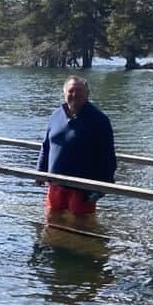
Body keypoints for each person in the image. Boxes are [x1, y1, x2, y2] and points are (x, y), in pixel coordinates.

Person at [36, 75, 116, 216]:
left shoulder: (99, 120)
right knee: (52, 223)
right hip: (55, 185)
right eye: (71, 91)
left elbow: (108, 157)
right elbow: (46, 146)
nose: (75, 94)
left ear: (87, 94)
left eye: (79, 91)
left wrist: (102, 188)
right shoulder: (56, 115)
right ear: (64, 93)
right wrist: (40, 171)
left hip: (82, 189)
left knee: (81, 227)